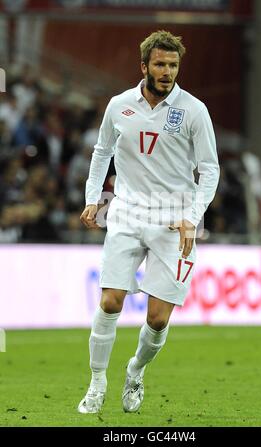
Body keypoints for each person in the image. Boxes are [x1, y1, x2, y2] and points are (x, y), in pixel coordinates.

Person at [78, 30, 220, 414]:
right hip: (126, 211)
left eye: (173, 65)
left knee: (157, 319)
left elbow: (209, 170)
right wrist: (93, 198)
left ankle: (135, 371)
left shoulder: (193, 110)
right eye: (160, 64)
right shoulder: (119, 105)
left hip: (174, 220)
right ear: (144, 66)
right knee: (110, 302)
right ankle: (96, 383)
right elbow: (101, 151)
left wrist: (193, 218)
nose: (167, 71)